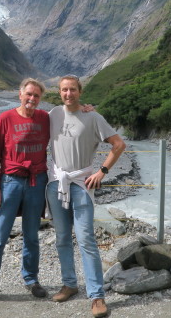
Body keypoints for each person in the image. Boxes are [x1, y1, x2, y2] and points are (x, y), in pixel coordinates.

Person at [46, 74, 126, 318]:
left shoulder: (93, 117)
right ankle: (69, 284)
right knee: (61, 238)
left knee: (86, 241)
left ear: (80, 92)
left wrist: (102, 171)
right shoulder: (52, 115)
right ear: (59, 93)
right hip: (56, 183)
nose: (68, 94)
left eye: (72, 90)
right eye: (64, 90)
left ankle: (96, 296)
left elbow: (119, 144)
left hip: (81, 184)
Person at [0, 77, 50, 307]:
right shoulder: (6, 118)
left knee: (32, 235)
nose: (32, 99)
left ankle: (31, 279)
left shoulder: (45, 118)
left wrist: (86, 108)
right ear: (20, 94)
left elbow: (68, 117)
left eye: (36, 95)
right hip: (10, 182)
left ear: (40, 98)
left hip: (36, 181)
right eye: (29, 94)